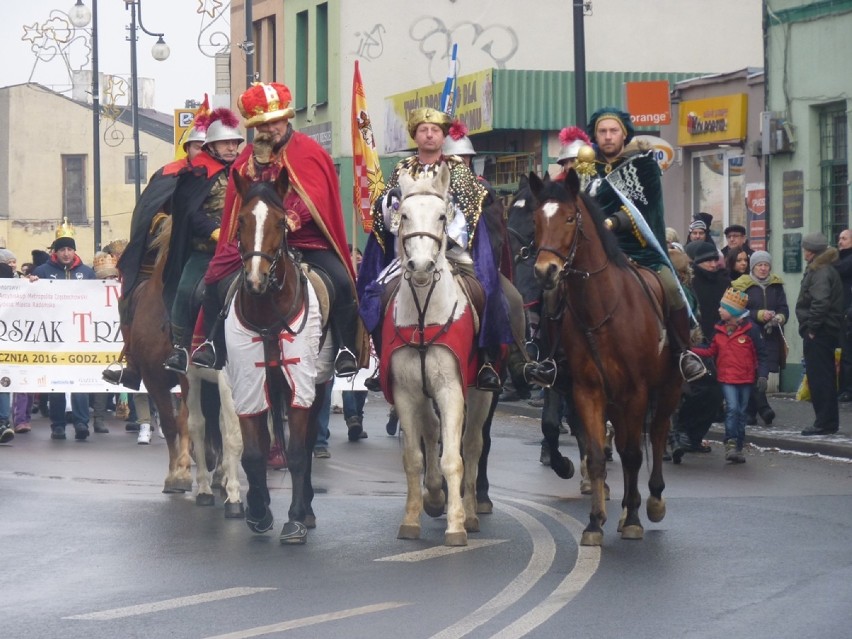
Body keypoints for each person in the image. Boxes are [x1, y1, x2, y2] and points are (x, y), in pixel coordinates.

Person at [194, 81, 365, 378]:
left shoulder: (309, 152)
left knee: (341, 280)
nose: (269, 128)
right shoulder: (248, 156)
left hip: (307, 239)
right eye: (261, 123)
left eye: (274, 121)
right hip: (259, 240)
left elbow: (316, 197)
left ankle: (344, 349)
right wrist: (255, 167)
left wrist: (290, 218)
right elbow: (242, 198)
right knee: (211, 279)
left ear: (286, 118)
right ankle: (213, 344)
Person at [358, 107, 515, 392]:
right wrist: (391, 206)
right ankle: (383, 359)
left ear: (443, 136)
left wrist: (441, 239)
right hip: (410, 253)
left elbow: (468, 213)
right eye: (423, 130)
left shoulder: (457, 171)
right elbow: (388, 215)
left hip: (452, 251)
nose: (429, 134)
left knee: (487, 290)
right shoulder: (402, 169)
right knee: (375, 294)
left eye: (435, 130)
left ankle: (485, 361)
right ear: (415, 136)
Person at [581, 106, 704, 382]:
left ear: (624, 135)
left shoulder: (644, 165)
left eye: (614, 131)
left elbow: (645, 208)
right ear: (595, 135)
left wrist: (612, 222)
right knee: (557, 288)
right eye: (602, 131)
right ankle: (550, 356)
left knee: (671, 287)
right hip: (596, 251)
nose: (608, 137)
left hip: (639, 248)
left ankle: (684, 352)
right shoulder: (586, 169)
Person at [102, 127, 206, 388]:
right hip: (161, 252)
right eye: (197, 147)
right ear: (188, 149)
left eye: (206, 147)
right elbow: (151, 213)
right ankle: (132, 362)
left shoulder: (222, 176)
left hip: (205, 249)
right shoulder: (169, 175)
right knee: (129, 296)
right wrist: (169, 226)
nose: (202, 152)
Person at [162, 108, 244, 373]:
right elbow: (188, 212)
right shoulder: (196, 173)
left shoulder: (247, 171)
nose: (232, 148)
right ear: (211, 146)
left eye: (235, 143)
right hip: (207, 252)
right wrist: (215, 231)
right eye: (226, 143)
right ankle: (180, 348)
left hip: (245, 250)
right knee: (186, 290)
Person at [29, 220, 96, 440]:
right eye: (62, 249)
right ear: (55, 252)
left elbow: (96, 300)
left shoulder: (87, 273)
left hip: (79, 336)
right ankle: (57, 424)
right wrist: (31, 284)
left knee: (80, 381)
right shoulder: (43, 271)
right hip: (53, 336)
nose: (66, 253)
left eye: (69, 249)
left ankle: (81, 423)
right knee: (56, 380)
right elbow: (31, 299)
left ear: (74, 250)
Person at [692, 288, 768, 463]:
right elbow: (711, 350)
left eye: (723, 307)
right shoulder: (719, 331)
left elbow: (762, 355)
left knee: (742, 412)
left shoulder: (751, 330)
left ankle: (738, 444)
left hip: (746, 379)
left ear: (733, 311)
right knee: (732, 408)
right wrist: (690, 349)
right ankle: (730, 443)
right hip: (726, 378)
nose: (719, 310)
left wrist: (762, 375)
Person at [731, 250, 789, 426]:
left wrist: (779, 318)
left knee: (761, 372)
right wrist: (758, 314)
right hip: (747, 335)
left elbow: (783, 307)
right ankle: (759, 409)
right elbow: (735, 311)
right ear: (753, 267)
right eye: (759, 265)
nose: (763, 269)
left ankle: (752, 411)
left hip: (770, 335)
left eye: (766, 265)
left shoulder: (776, 285)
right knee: (752, 372)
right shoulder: (741, 285)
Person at [796, 232, 844, 436]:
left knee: (820, 378)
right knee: (823, 376)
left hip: (820, 332)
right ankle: (827, 421)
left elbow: (820, 302)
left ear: (811, 251)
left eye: (805, 249)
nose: (803, 252)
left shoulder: (820, 271)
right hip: (824, 330)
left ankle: (824, 423)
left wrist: (812, 328)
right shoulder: (822, 268)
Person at [686, 239, 732, 341]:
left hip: (723, 337)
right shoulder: (690, 283)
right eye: (709, 261)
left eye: (715, 260)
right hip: (698, 338)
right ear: (698, 262)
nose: (714, 264)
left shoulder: (724, 281)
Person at [833, 229, 852, 402]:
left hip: (848, 313)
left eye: (844, 238)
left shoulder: (846, 260)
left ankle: (847, 389)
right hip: (843, 312)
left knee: (847, 354)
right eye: (839, 238)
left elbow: (840, 269)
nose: (840, 241)